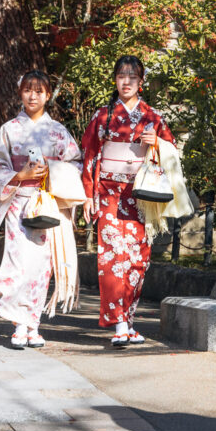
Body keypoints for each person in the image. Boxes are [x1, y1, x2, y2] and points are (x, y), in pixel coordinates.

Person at [81, 54, 192, 348]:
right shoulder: (102, 116)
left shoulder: (153, 117)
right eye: (121, 76)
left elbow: (172, 151)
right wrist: (88, 195)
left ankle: (128, 321)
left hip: (141, 196)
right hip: (108, 194)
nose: (126, 81)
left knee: (138, 260)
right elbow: (90, 156)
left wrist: (157, 144)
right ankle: (119, 323)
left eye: (132, 76)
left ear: (141, 82)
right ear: (115, 80)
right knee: (113, 257)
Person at [0, 69, 83, 350]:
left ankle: (33, 324)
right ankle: (19, 324)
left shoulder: (59, 132)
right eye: (28, 90)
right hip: (18, 202)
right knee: (19, 263)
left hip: (47, 202)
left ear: (48, 95)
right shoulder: (9, 130)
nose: (33, 95)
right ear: (20, 94)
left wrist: (51, 170)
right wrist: (20, 176)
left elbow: (77, 163)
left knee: (42, 266)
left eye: (39, 91)